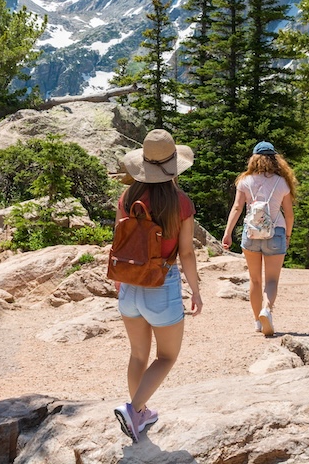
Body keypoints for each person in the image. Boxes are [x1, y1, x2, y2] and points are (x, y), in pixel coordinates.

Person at [112, 129, 203, 442]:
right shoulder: (181, 203)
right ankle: (133, 410)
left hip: (129, 286)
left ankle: (141, 416)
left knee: (138, 355)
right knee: (166, 356)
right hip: (161, 285)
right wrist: (196, 290)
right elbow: (187, 253)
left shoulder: (127, 197)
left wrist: (119, 282)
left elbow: (119, 242)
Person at [221, 140, 297, 337]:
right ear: (275, 160)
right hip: (276, 232)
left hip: (251, 233)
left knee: (254, 279)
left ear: (253, 158)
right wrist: (287, 235)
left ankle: (257, 321)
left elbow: (237, 208)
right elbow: (289, 214)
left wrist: (228, 233)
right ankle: (267, 310)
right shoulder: (282, 182)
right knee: (271, 280)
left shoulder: (245, 181)